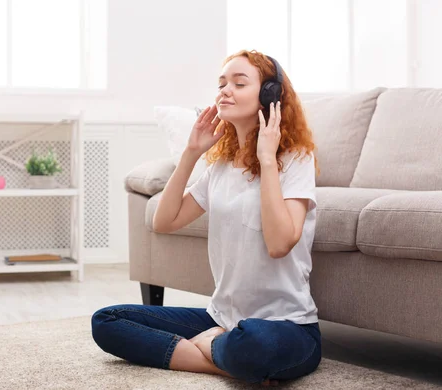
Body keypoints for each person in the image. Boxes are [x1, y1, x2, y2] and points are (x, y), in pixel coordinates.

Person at [91, 49, 320, 386]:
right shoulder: (221, 168)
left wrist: (267, 160)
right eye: (222, 83)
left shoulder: (295, 160)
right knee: (107, 321)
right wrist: (191, 152)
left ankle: (218, 346)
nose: (225, 90)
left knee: (253, 343)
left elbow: (279, 244)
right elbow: (164, 222)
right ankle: (218, 354)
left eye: (239, 83)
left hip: (286, 326)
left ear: (269, 96)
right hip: (222, 319)